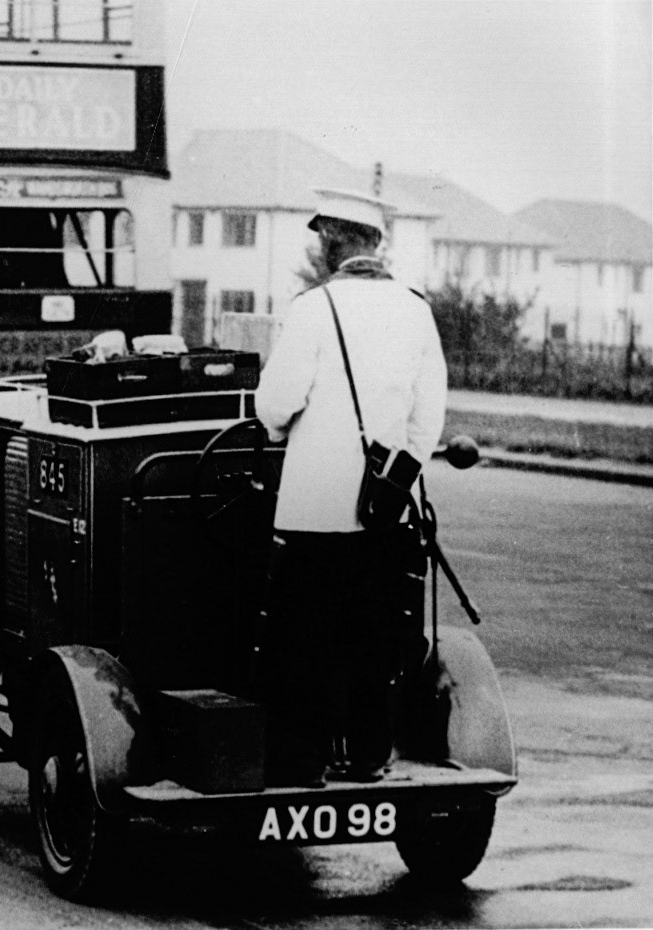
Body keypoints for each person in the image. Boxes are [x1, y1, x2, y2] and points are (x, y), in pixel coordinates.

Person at [253, 188, 446, 787]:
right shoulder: (415, 309)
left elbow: (276, 404)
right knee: (374, 639)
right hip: (385, 512)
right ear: (376, 245)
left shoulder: (314, 308)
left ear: (333, 243)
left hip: (313, 510)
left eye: (323, 238)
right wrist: (396, 478)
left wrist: (279, 428)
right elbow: (428, 416)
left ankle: (301, 763)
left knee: (302, 640)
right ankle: (367, 756)